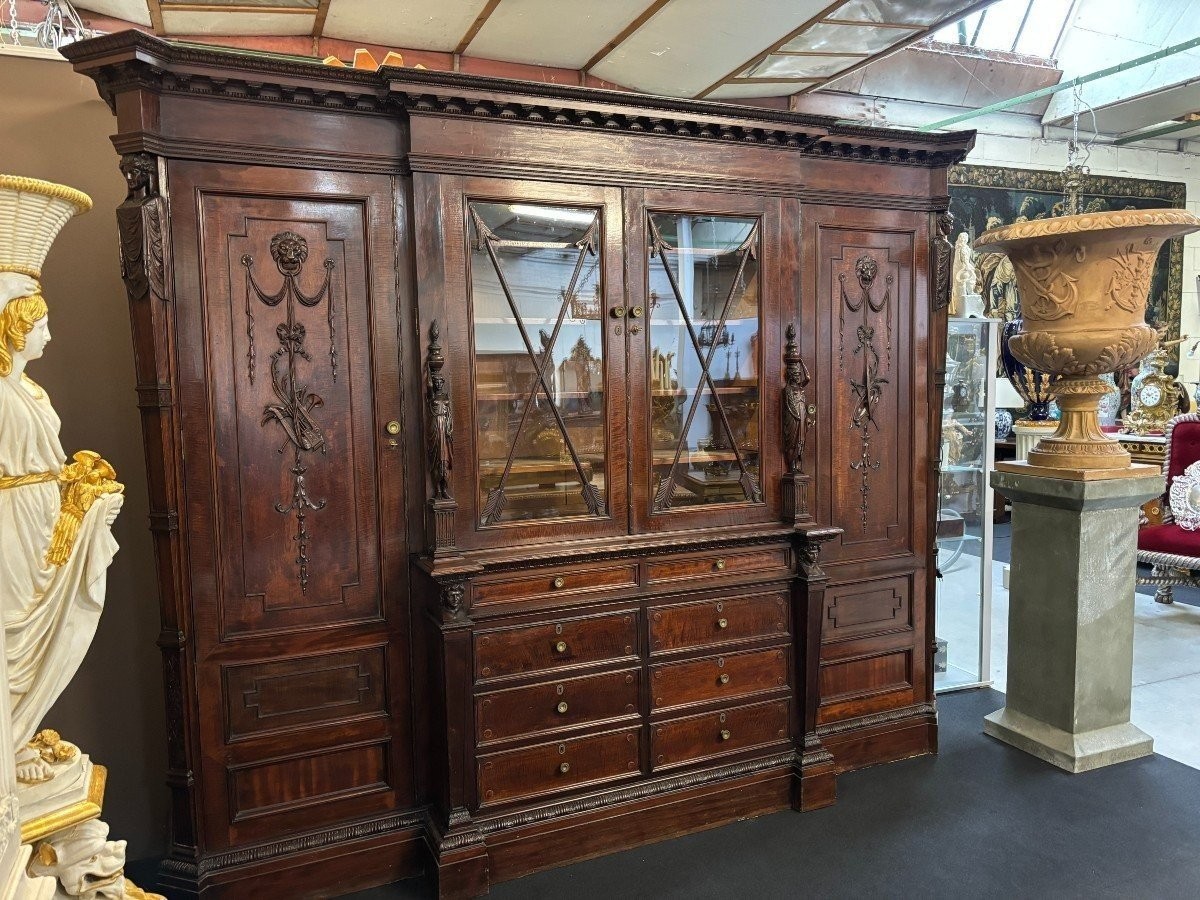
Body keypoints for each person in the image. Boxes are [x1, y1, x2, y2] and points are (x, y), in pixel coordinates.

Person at [0, 272, 123, 784]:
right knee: (18, 623)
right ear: (14, 330)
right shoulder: (2, 395)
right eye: (41, 326)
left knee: (41, 613)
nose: (49, 335)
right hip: (13, 517)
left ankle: (18, 733)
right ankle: (9, 742)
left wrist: (83, 491)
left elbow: (47, 465)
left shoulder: (30, 389)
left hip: (41, 508)